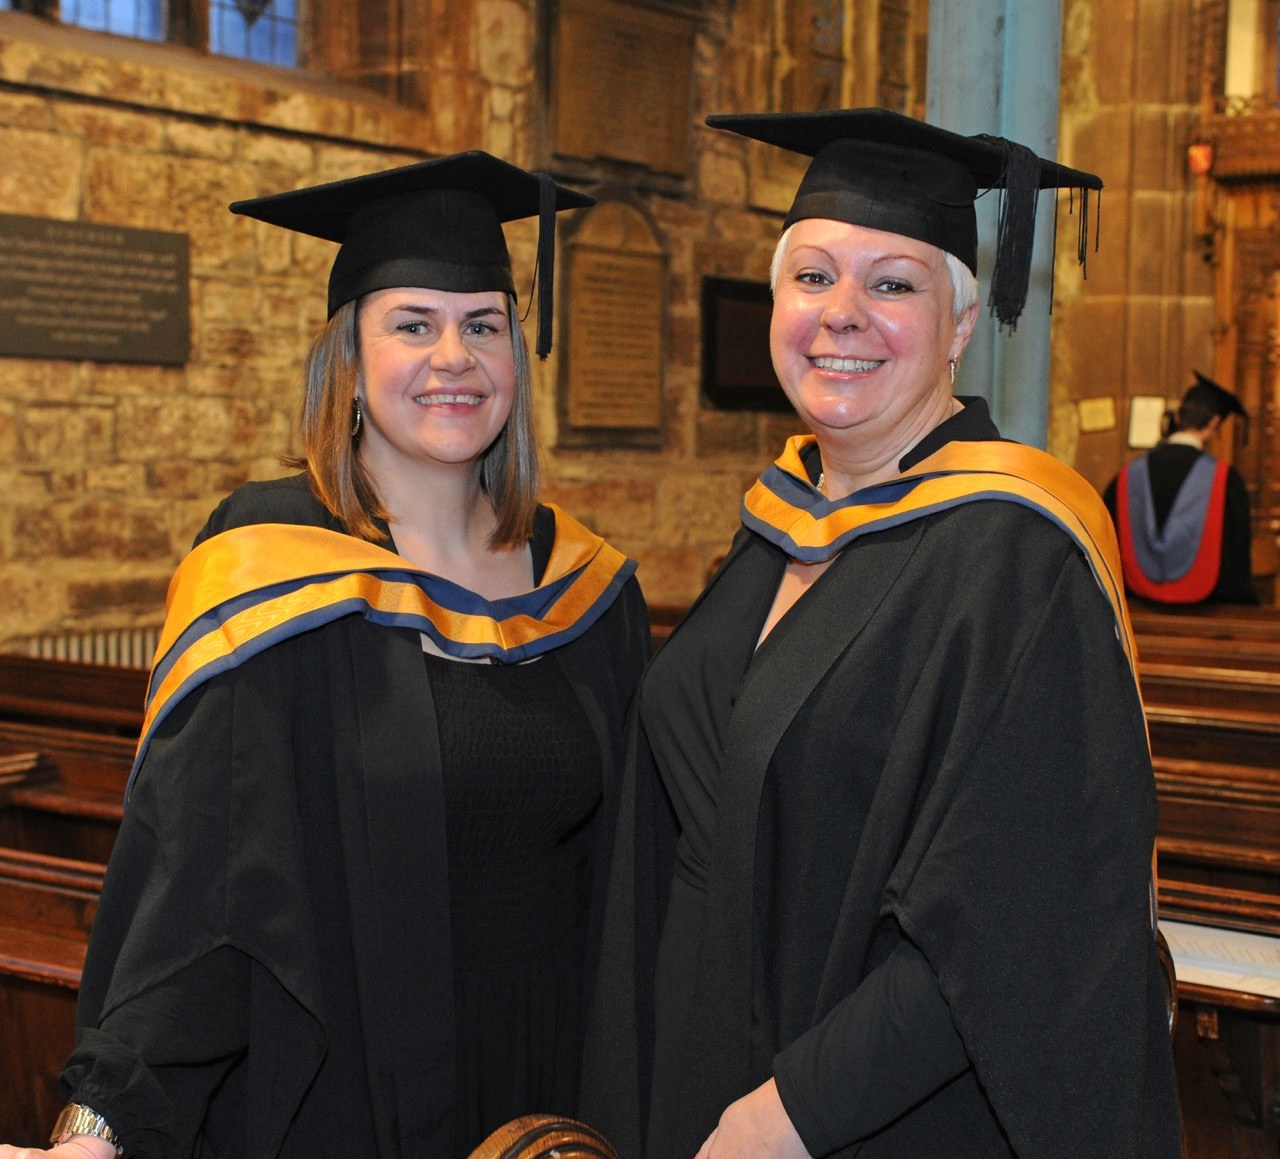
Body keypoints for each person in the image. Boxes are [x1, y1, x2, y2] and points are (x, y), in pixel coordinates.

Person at [1, 152, 650, 1159]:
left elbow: (637, 872)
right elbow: (199, 884)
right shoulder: (266, 564)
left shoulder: (587, 585)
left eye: (483, 323)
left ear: (516, 357)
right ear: (348, 358)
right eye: (412, 324)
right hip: (346, 1091)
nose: (453, 355)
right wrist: (100, 1127)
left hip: (554, 1094)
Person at [582, 109, 1180, 1158]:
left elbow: (1010, 912)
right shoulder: (774, 529)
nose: (839, 314)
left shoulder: (1015, 557)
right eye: (810, 277)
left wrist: (785, 1115)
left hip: (859, 1121)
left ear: (957, 324)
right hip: (701, 1082)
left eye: (891, 284)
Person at [1105, 372, 1257, 604]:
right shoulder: (1226, 480)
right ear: (1215, 423)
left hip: (1135, 607)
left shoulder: (1127, 476)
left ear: (1177, 416)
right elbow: (1236, 555)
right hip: (1207, 610)